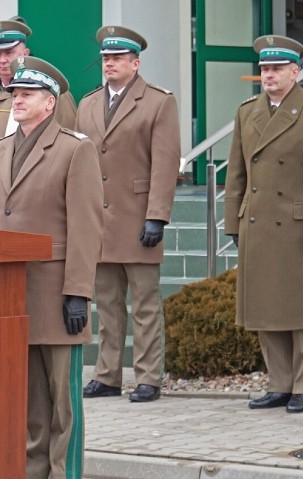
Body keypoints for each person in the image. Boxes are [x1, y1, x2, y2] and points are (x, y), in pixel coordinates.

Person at [0, 56, 102, 478]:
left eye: (26, 94)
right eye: (15, 93)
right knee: (30, 403)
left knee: (62, 403)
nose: (17, 99)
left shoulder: (74, 149)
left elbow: (87, 226)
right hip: (14, 295)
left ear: (49, 103)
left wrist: (78, 292)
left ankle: (65, 473)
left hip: (56, 294)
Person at [224, 35, 303, 414]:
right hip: (257, 221)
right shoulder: (247, 112)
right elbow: (237, 172)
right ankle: (278, 383)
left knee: (300, 308)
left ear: (295, 72)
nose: (269, 75)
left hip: (298, 225)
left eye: (277, 69)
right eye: (264, 69)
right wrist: (233, 220)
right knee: (265, 306)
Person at [78, 26, 180, 403]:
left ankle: (149, 376)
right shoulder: (88, 103)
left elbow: (165, 164)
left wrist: (158, 216)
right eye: (106, 58)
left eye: (118, 58)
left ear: (135, 63)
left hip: (138, 218)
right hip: (99, 222)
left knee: (145, 305)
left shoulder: (157, 102)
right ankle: (107, 375)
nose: (110, 64)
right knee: (106, 305)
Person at [0, 20, 78, 223]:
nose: (3, 60)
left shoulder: (52, 95)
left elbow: (66, 147)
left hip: (30, 203)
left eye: (9, 52)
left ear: (25, 53)